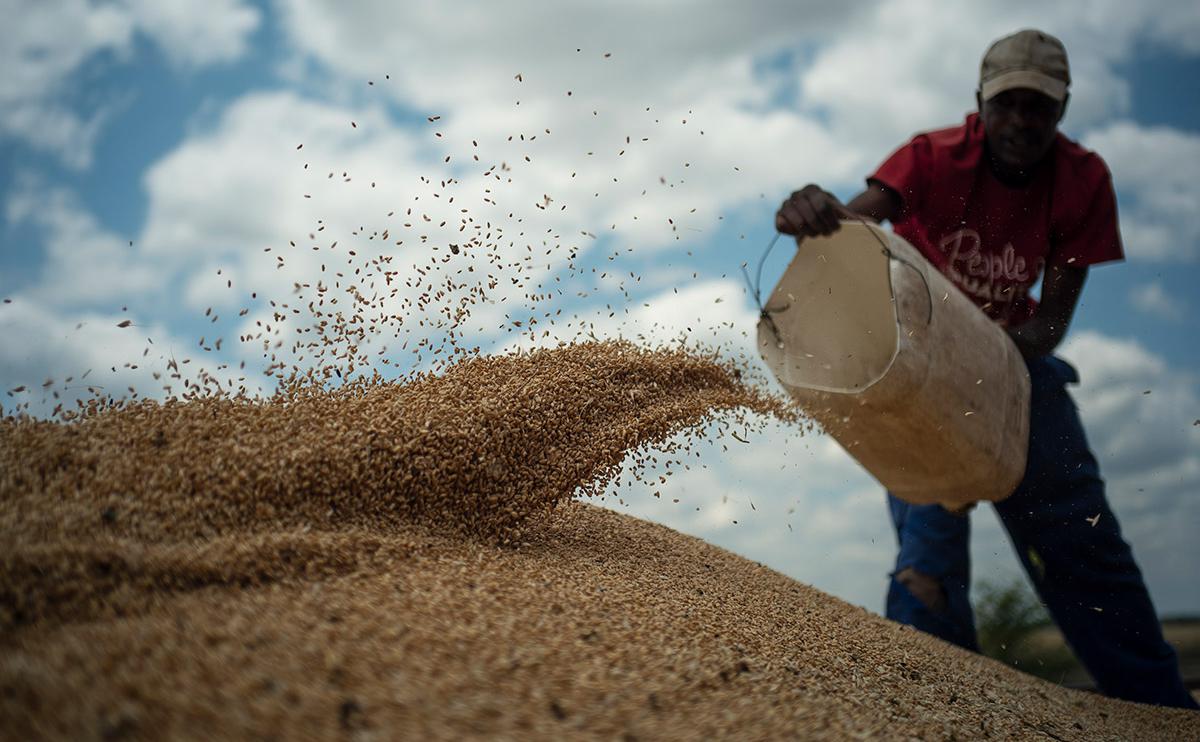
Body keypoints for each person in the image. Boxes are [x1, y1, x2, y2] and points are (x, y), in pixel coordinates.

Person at [774, 28, 1197, 709]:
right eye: (1008, 105)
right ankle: (937, 709)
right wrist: (812, 214)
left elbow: (1051, 322)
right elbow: (851, 235)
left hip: (1015, 369)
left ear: (1061, 112)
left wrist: (987, 367)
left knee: (1084, 546)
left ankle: (1158, 711)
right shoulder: (933, 158)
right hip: (920, 376)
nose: (1022, 121)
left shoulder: (1084, 181)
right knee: (930, 554)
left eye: (1040, 107)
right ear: (980, 104)